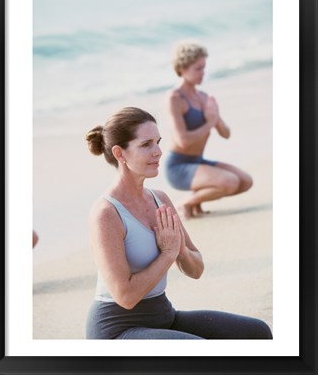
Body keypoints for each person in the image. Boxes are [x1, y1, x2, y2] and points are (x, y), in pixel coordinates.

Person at [85, 106, 272, 340]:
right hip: (117, 330)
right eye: (146, 145)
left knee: (256, 333)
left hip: (163, 316)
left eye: (158, 142)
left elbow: (196, 270)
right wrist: (168, 254)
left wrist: (179, 249)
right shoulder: (106, 213)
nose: (159, 152)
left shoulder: (159, 199)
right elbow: (125, 296)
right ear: (120, 154)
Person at [165, 41, 253, 219]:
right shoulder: (175, 98)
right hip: (179, 166)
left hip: (197, 161)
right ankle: (182, 205)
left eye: (204, 68)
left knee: (245, 181)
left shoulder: (203, 97)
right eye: (198, 69)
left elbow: (226, 134)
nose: (203, 73)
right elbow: (183, 140)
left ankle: (194, 203)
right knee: (230, 181)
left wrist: (216, 119)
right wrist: (209, 122)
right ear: (182, 69)